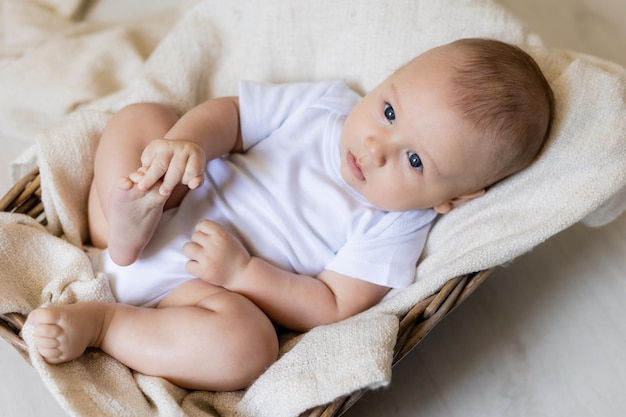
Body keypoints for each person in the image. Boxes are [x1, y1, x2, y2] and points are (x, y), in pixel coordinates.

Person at [26, 38, 554, 392]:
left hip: (196, 293)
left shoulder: (397, 226)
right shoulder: (325, 105)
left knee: (248, 347)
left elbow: (331, 305)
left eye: (415, 160)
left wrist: (243, 274)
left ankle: (105, 323)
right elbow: (231, 118)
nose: (375, 148)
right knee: (145, 120)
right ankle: (117, 229)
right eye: (389, 112)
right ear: (386, 80)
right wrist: (187, 144)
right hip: (173, 198)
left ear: (454, 200)